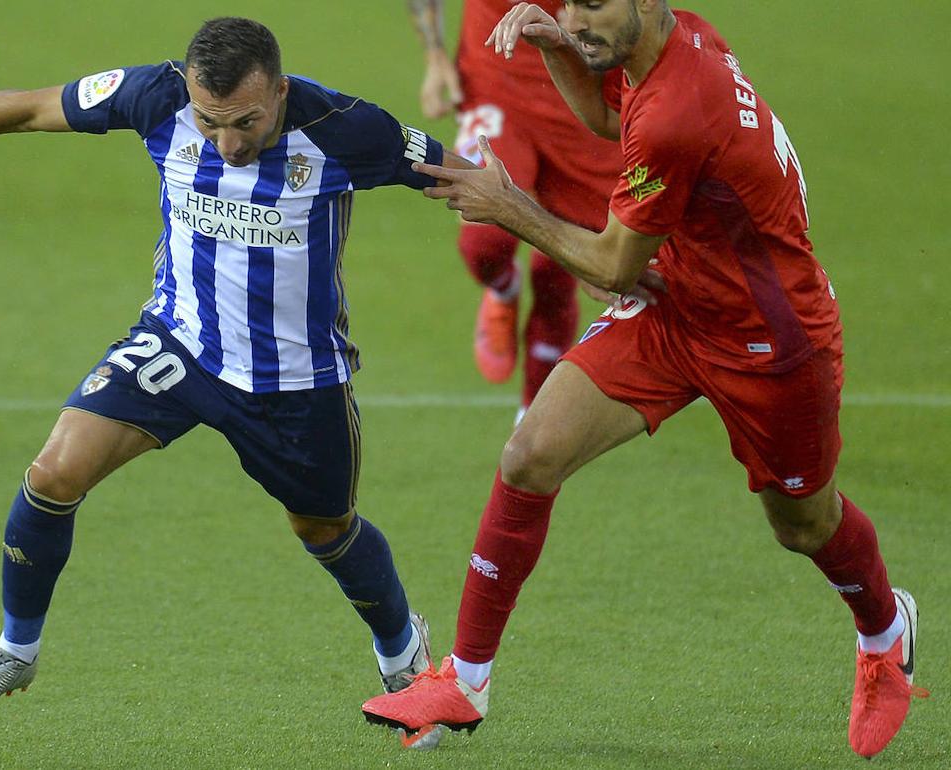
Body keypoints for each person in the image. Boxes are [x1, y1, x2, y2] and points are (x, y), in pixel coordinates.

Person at [0, 16, 471, 720]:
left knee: (324, 528)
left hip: (294, 380)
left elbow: (464, 176)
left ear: (280, 91)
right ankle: (14, 652)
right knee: (54, 473)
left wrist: (592, 248)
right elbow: (34, 106)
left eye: (245, 123)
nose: (225, 143)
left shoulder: (349, 129)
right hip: (178, 344)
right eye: (209, 121)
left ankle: (405, 658)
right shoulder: (153, 96)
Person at [362, 0, 926, 759]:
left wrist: (507, 204)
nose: (576, 14)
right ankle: (465, 680)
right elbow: (604, 119)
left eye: (593, 6)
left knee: (803, 525)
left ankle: (886, 632)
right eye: (571, 2)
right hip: (675, 307)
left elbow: (609, 264)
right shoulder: (678, 35)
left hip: (770, 341)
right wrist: (560, 46)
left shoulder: (677, 112)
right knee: (531, 452)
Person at [407, 0, 622, 418]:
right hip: (496, 74)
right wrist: (435, 55)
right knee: (483, 243)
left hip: (581, 87)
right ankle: (503, 287)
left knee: (568, 263)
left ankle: (533, 417)